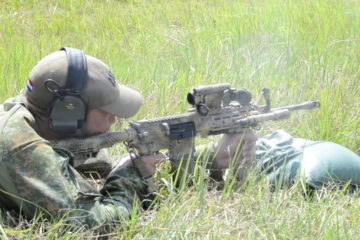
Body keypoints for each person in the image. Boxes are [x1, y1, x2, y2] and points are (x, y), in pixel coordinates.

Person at [0, 48, 257, 232]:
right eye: (107, 112)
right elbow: (85, 223)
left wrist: (209, 156)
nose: (114, 120)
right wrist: (127, 179)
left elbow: (94, 169)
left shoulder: (39, 118)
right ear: (70, 111)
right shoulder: (20, 145)